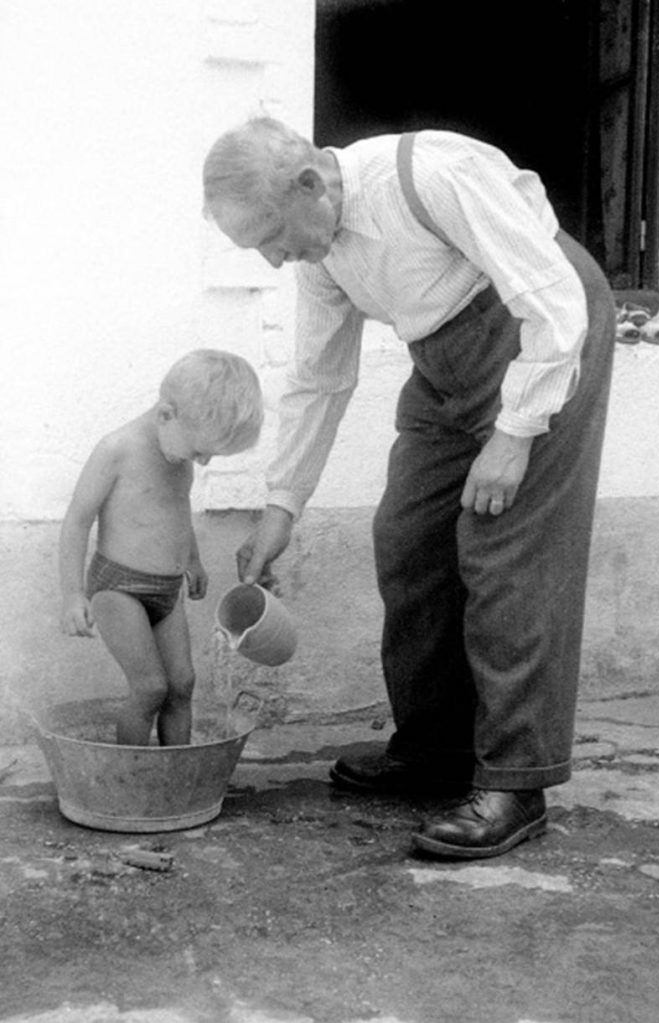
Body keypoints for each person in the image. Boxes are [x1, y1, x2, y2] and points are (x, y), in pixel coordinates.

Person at [202, 117, 615, 859]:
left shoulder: (429, 176)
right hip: (443, 359)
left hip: (541, 335)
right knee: (407, 536)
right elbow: (320, 377)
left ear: (309, 184)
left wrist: (515, 433)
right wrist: (281, 506)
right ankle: (434, 751)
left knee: (506, 554)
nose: (273, 259)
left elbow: (553, 299)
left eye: (270, 237)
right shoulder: (321, 251)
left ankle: (516, 783)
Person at [59, 349, 263, 746]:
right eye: (200, 451)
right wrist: (72, 595)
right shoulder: (117, 449)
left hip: (167, 592)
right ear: (167, 414)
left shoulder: (178, 452)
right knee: (150, 687)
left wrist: (193, 559)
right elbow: (77, 521)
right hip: (119, 588)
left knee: (182, 684)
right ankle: (131, 772)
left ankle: (176, 768)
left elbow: (176, 508)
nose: (203, 462)